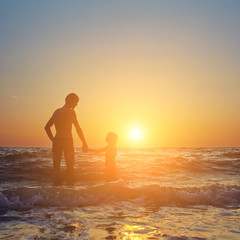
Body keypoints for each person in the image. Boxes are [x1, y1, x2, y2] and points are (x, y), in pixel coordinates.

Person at [44, 93, 88, 184]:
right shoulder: (71, 112)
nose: (76, 104)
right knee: (70, 169)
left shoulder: (57, 111)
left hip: (57, 141)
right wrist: (84, 142)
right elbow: (78, 128)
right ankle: (70, 192)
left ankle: (55, 192)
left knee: (56, 169)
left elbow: (47, 127)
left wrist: (53, 140)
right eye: (76, 102)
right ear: (70, 101)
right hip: (67, 141)